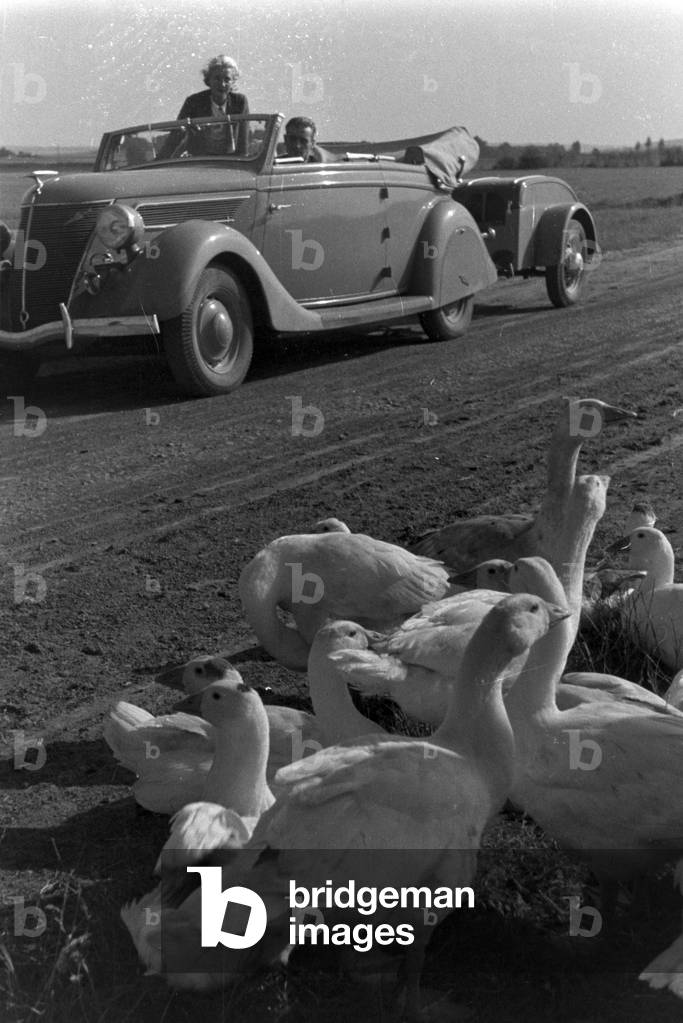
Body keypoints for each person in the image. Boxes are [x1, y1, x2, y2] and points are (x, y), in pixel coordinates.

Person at [161, 55, 249, 158]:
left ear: (233, 82)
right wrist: (158, 161)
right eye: (217, 78)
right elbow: (175, 136)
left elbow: (243, 140)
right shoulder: (193, 101)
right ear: (208, 80)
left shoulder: (239, 102)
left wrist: (241, 161)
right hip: (201, 160)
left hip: (229, 161)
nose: (222, 84)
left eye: (227, 79)